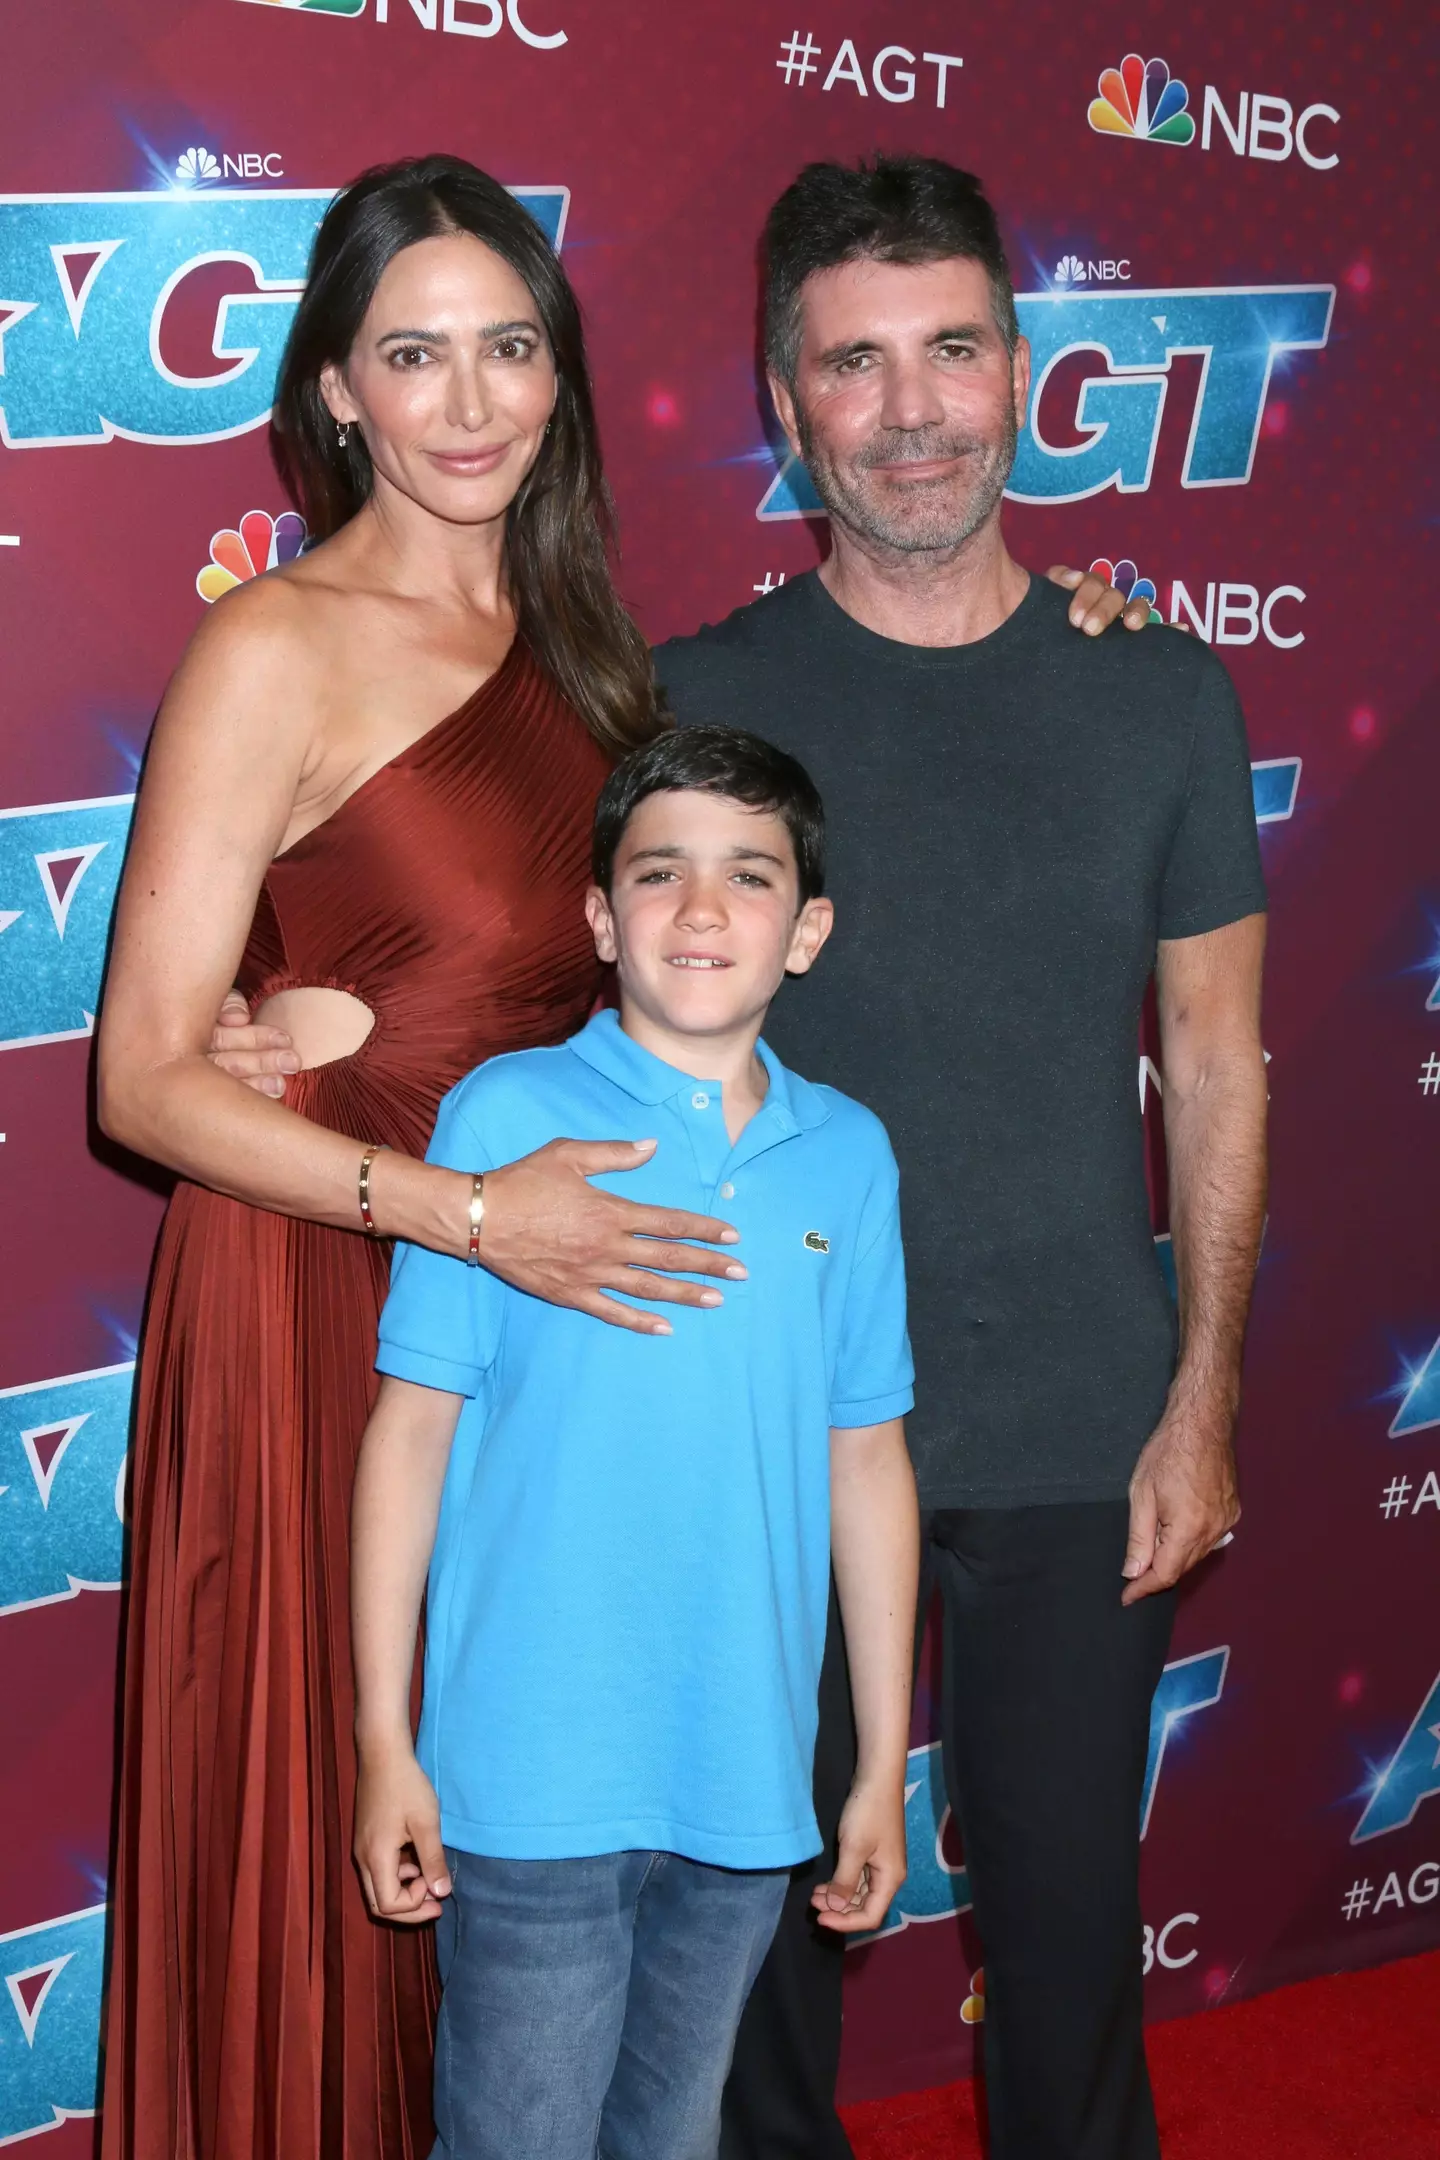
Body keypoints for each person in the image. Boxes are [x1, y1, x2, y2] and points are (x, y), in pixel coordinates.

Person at [95, 155, 750, 2160]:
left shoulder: (593, 648)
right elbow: (141, 1082)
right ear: (336, 393)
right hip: (330, 1304)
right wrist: (468, 1206)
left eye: (509, 349)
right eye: (414, 355)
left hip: (538, 1317)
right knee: (350, 1833)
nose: (469, 402)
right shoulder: (272, 649)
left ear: (558, 377)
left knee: (528, 1868)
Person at [650, 158, 1269, 2160]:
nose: (911, 408)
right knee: (748, 1968)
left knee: (1075, 1960)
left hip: (1088, 1425)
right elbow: (574, 1023)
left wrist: (1205, 1399)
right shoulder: (699, 701)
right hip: (772, 1416)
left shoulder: (1158, 690)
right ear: (784, 396)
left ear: (1022, 366)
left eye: (953, 350)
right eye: (856, 364)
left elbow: (1219, 1067)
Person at [347, 725, 920, 2160]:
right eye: (659, 874)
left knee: (668, 2140)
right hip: (529, 1768)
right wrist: (380, 1735)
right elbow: (411, 1435)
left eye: (749, 876)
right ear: (603, 917)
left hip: (744, 1765)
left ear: (811, 929)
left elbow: (867, 1464)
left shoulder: (848, 1153)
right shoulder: (508, 1114)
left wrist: (877, 1768)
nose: (704, 910)